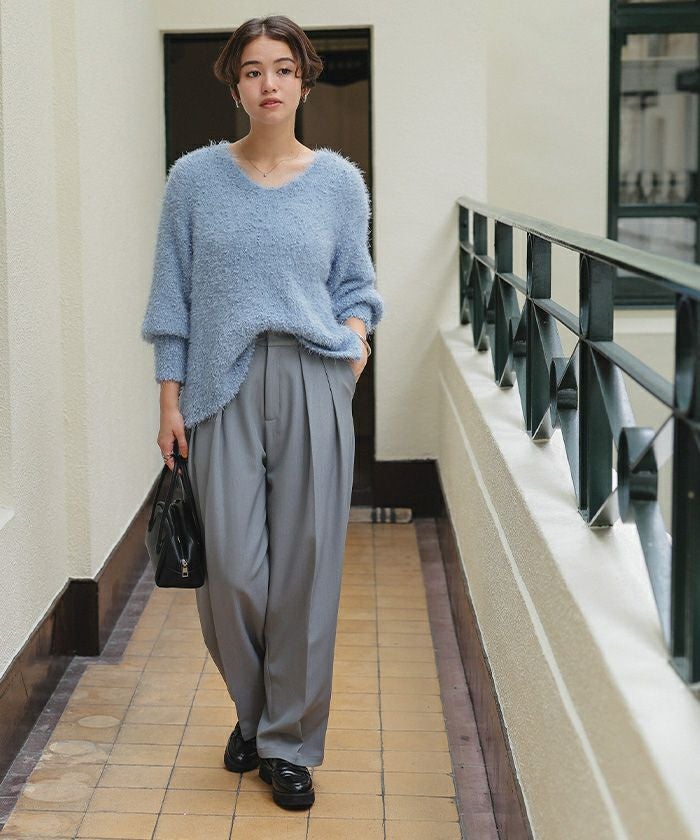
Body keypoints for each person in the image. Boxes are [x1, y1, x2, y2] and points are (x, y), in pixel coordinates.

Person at [140, 15, 384, 811]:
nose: (269, 83)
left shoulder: (339, 183)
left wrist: (354, 343)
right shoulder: (194, 180)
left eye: (283, 68)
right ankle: (254, 713)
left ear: (304, 82)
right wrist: (170, 397)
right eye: (253, 70)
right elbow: (171, 298)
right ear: (236, 84)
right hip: (221, 385)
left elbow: (356, 284)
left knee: (307, 573)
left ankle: (286, 743)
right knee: (234, 576)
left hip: (314, 376)